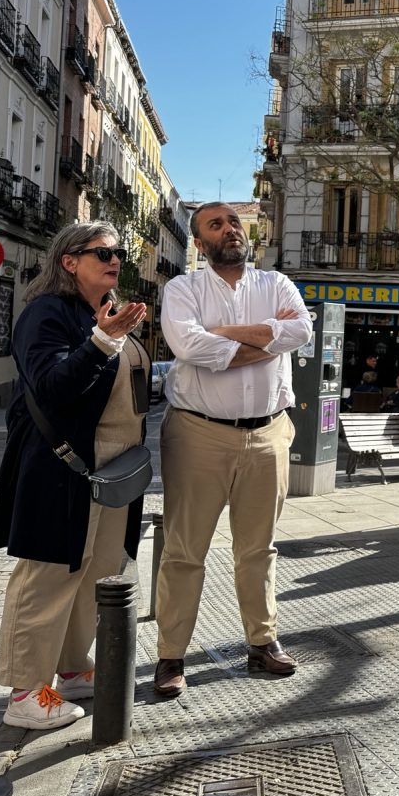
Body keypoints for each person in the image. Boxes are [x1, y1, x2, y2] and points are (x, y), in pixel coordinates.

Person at [0, 222, 150, 730]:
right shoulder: (46, 312)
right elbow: (53, 385)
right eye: (101, 252)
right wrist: (104, 340)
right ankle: (25, 693)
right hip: (64, 464)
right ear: (68, 261)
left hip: (111, 467)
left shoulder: (99, 314)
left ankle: (74, 669)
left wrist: (110, 334)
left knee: (94, 574)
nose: (115, 259)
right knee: (50, 576)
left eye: (118, 252)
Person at [153, 201, 312, 698]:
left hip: (268, 434)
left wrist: (223, 336)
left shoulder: (277, 284)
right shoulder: (183, 288)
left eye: (234, 222)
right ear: (199, 243)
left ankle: (262, 644)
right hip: (198, 433)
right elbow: (188, 346)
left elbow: (301, 331)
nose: (229, 230)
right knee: (184, 550)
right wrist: (268, 339)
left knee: (259, 549)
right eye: (215, 225)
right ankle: (170, 656)